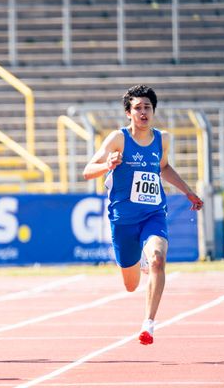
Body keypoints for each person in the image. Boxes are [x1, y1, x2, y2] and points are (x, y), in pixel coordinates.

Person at [83, 85, 203, 345]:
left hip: (153, 214)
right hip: (123, 220)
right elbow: (88, 170)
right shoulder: (118, 139)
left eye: (147, 107)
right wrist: (108, 165)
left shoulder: (163, 139)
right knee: (130, 285)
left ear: (153, 110)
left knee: (159, 259)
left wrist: (188, 192)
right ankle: (138, 262)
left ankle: (148, 323)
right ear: (129, 113)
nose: (143, 111)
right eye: (138, 107)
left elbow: (164, 167)